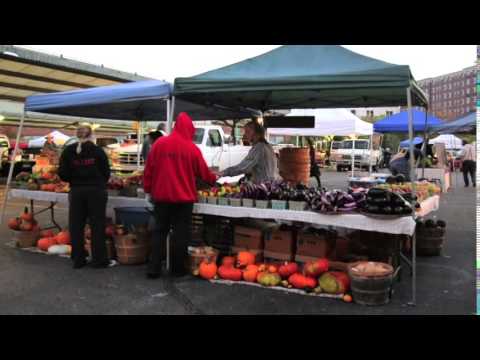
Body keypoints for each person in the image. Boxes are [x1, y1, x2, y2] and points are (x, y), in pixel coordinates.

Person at [143, 113, 217, 279]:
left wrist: (148, 189)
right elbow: (204, 173)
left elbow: (149, 170)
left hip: (161, 197)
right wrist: (214, 180)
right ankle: (177, 270)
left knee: (159, 232)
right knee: (180, 234)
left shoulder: (160, 143)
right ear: (189, 129)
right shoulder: (191, 148)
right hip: (183, 200)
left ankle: (153, 268)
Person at [58, 123, 113, 269]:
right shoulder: (97, 151)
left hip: (76, 191)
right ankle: (99, 260)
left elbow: (62, 173)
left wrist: (74, 178)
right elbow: (106, 172)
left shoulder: (68, 151)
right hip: (96, 191)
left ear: (77, 135)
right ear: (91, 135)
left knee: (76, 225)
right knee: (97, 225)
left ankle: (78, 258)